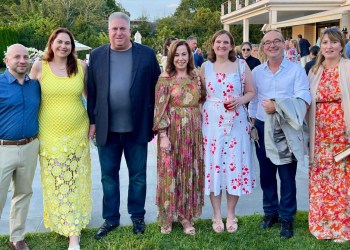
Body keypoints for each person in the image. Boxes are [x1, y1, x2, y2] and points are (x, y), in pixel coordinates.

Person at [87, 12, 161, 239]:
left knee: (138, 175)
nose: (118, 33)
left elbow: (158, 89)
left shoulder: (146, 55)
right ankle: (110, 218)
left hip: (137, 128)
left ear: (130, 31)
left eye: (123, 29)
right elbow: (91, 92)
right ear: (108, 31)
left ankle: (137, 215)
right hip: (106, 129)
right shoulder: (96, 55)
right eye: (114, 29)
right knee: (108, 177)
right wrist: (92, 121)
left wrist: (157, 121)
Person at [30, 28, 91, 250]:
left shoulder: (81, 67)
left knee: (73, 181)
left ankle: (74, 232)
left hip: (77, 132)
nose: (63, 46)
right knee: (56, 182)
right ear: (51, 43)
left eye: (67, 43)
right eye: (59, 42)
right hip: (49, 133)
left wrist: (93, 123)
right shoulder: (39, 67)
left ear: (72, 47)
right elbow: (29, 97)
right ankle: (61, 220)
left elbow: (88, 97)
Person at [248, 30, 311, 239]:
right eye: (267, 42)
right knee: (266, 175)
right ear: (263, 47)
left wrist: (278, 106)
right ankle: (270, 213)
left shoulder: (295, 71)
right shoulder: (257, 72)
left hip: (286, 129)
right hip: (262, 127)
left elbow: (303, 98)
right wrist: (251, 121)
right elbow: (254, 99)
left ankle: (286, 218)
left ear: (284, 44)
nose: (272, 45)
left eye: (276, 41)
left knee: (286, 176)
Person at [201, 30, 256, 234]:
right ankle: (216, 214)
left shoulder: (241, 65)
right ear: (213, 44)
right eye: (218, 41)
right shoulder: (205, 67)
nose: (222, 45)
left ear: (232, 45)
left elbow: (251, 91)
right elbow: (200, 94)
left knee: (234, 165)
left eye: (226, 42)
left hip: (236, 123)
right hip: (213, 124)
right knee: (214, 165)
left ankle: (231, 213)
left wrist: (239, 100)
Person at [153, 40, 205, 235]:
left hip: (192, 132)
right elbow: (160, 108)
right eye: (177, 55)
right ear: (171, 57)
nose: (181, 58)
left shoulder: (196, 77)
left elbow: (202, 99)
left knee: (188, 173)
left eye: (184, 54)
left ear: (189, 56)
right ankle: (167, 218)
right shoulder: (165, 78)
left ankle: (185, 217)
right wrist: (163, 135)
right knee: (169, 173)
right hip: (171, 131)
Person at [307, 27, 350, 243]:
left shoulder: (348, 68)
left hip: (342, 134)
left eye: (333, 42)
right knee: (321, 179)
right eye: (325, 43)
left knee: (341, 180)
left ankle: (341, 228)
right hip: (319, 135)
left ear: (342, 45)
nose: (329, 46)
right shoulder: (314, 71)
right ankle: (321, 226)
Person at [0, 44, 40, 250]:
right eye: (17, 57)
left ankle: (17, 238)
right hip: (3, 149)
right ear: (6, 60)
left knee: (23, 193)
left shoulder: (35, 85)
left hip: (30, 146)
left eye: (26, 57)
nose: (22, 60)